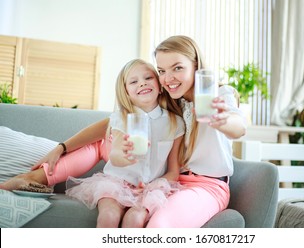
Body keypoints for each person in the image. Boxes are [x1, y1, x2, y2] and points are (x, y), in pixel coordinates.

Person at [1, 59, 185, 228]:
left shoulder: (175, 123)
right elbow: (115, 155)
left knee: (135, 219)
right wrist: (124, 156)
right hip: (117, 183)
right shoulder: (121, 119)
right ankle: (21, 181)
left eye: (148, 78)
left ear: (160, 87)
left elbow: (173, 171)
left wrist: (154, 186)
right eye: (133, 81)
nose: (142, 83)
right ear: (126, 93)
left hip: (150, 189)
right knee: (109, 215)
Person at [144, 35, 246, 228]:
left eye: (177, 68)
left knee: (159, 225)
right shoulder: (171, 103)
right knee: (132, 217)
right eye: (161, 71)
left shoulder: (219, 95)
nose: (167, 78)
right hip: (172, 183)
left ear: (196, 66)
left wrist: (222, 121)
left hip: (207, 187)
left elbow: (239, 128)